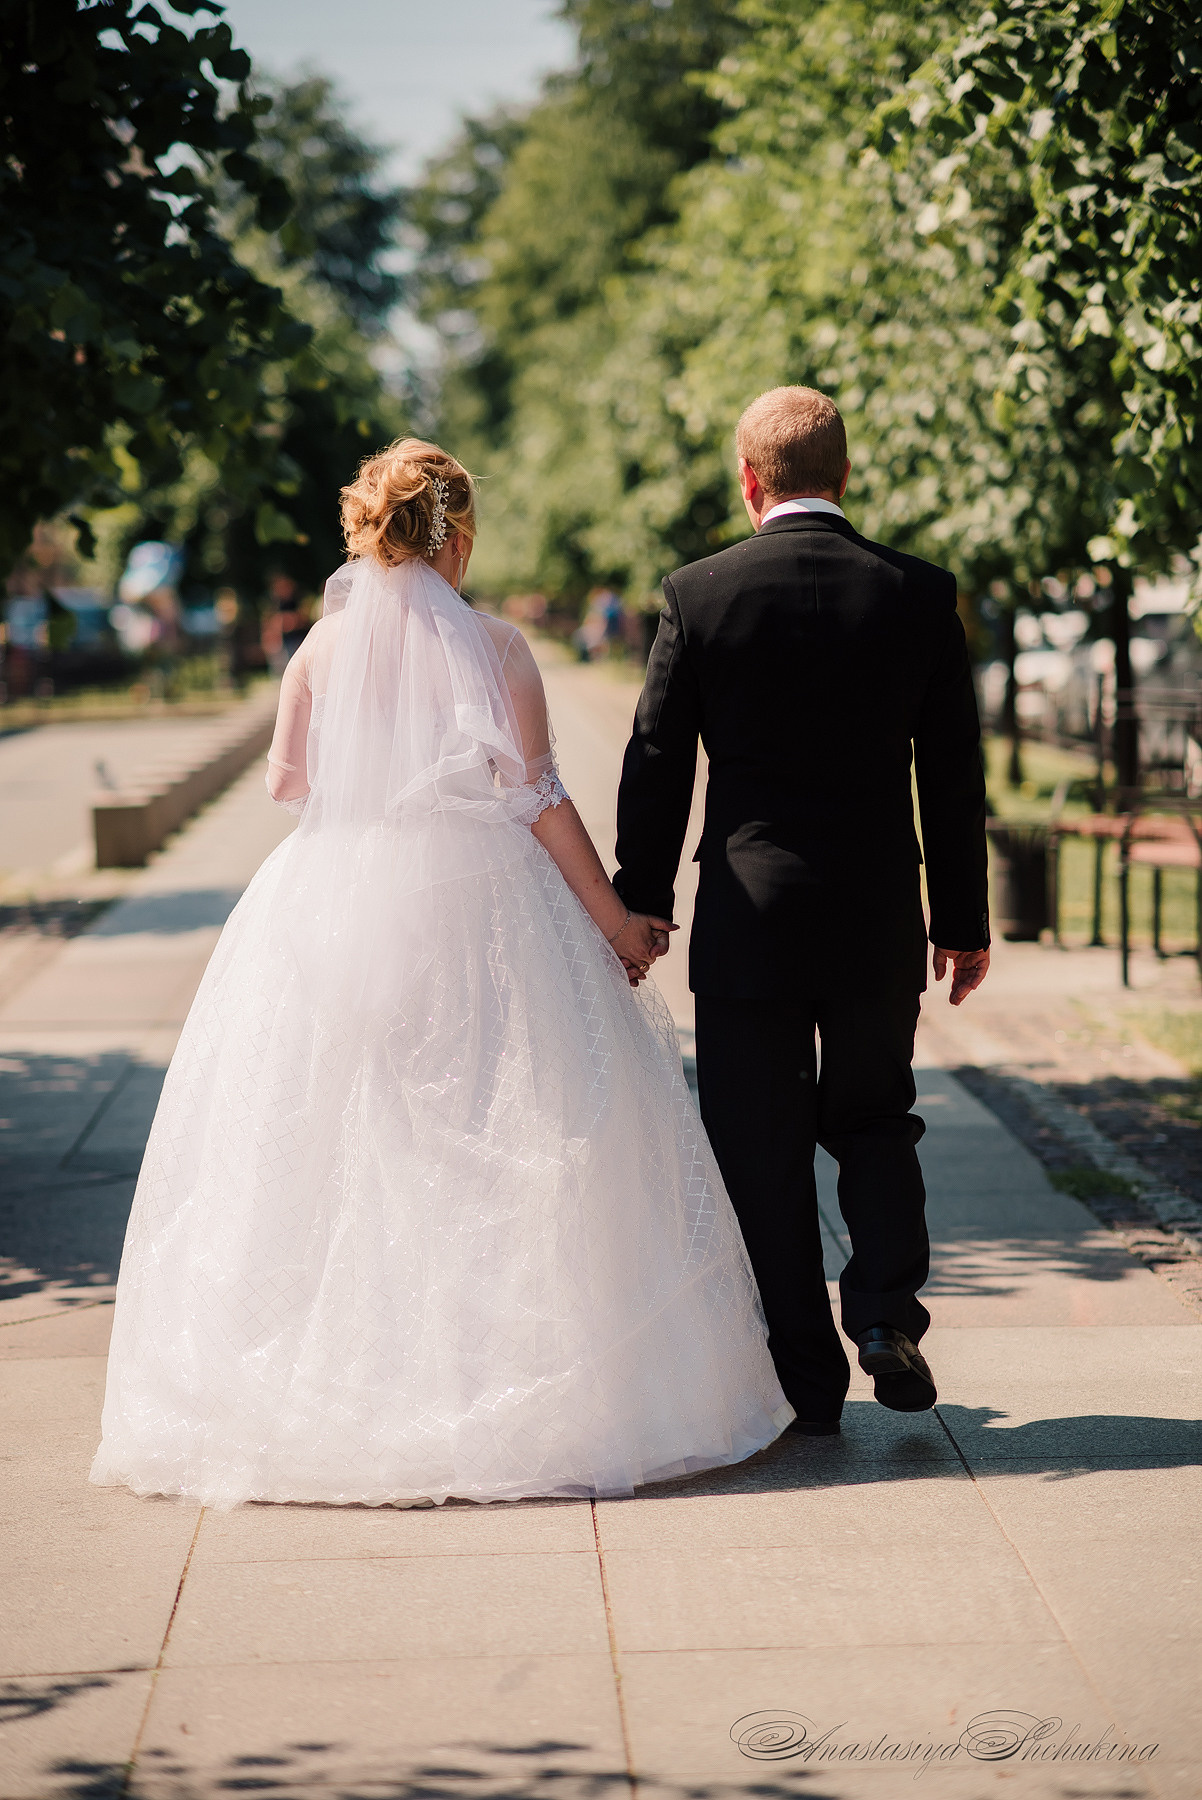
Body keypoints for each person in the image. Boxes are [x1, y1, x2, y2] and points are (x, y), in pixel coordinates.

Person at [91, 438, 793, 1510]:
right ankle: (512, 1380)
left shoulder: (319, 650)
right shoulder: (499, 647)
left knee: (343, 1130)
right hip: (485, 907)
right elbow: (542, 799)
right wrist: (615, 925)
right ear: (455, 533)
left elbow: (289, 784)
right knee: (498, 1119)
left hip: (329, 901)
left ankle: (347, 1385)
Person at [613, 387, 990, 1434]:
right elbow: (952, 777)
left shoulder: (698, 594)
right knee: (874, 1118)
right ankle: (881, 1316)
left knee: (756, 1146)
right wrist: (960, 920)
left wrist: (638, 902)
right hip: (874, 916)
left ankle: (804, 1381)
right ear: (845, 474)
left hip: (749, 921)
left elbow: (654, 761)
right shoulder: (918, 594)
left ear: (748, 481)